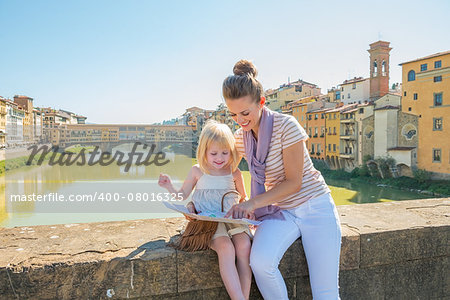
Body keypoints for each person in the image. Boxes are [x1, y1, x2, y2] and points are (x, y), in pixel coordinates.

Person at [223, 60, 342, 299]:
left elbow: (293, 182)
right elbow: (221, 170)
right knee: (260, 264)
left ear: (262, 102)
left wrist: (251, 204)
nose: (240, 120)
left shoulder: (287, 126)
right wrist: (196, 197)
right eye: (233, 114)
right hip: (281, 212)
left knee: (325, 293)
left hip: (315, 206)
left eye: (245, 113)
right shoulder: (239, 138)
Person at [158, 120, 253, 300]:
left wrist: (247, 208)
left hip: (231, 221)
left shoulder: (234, 173)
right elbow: (182, 195)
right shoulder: (197, 171)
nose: (220, 158)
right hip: (208, 225)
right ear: (204, 152)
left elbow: (244, 198)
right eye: (214, 153)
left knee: (244, 246)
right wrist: (169, 186)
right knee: (225, 248)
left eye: (225, 153)